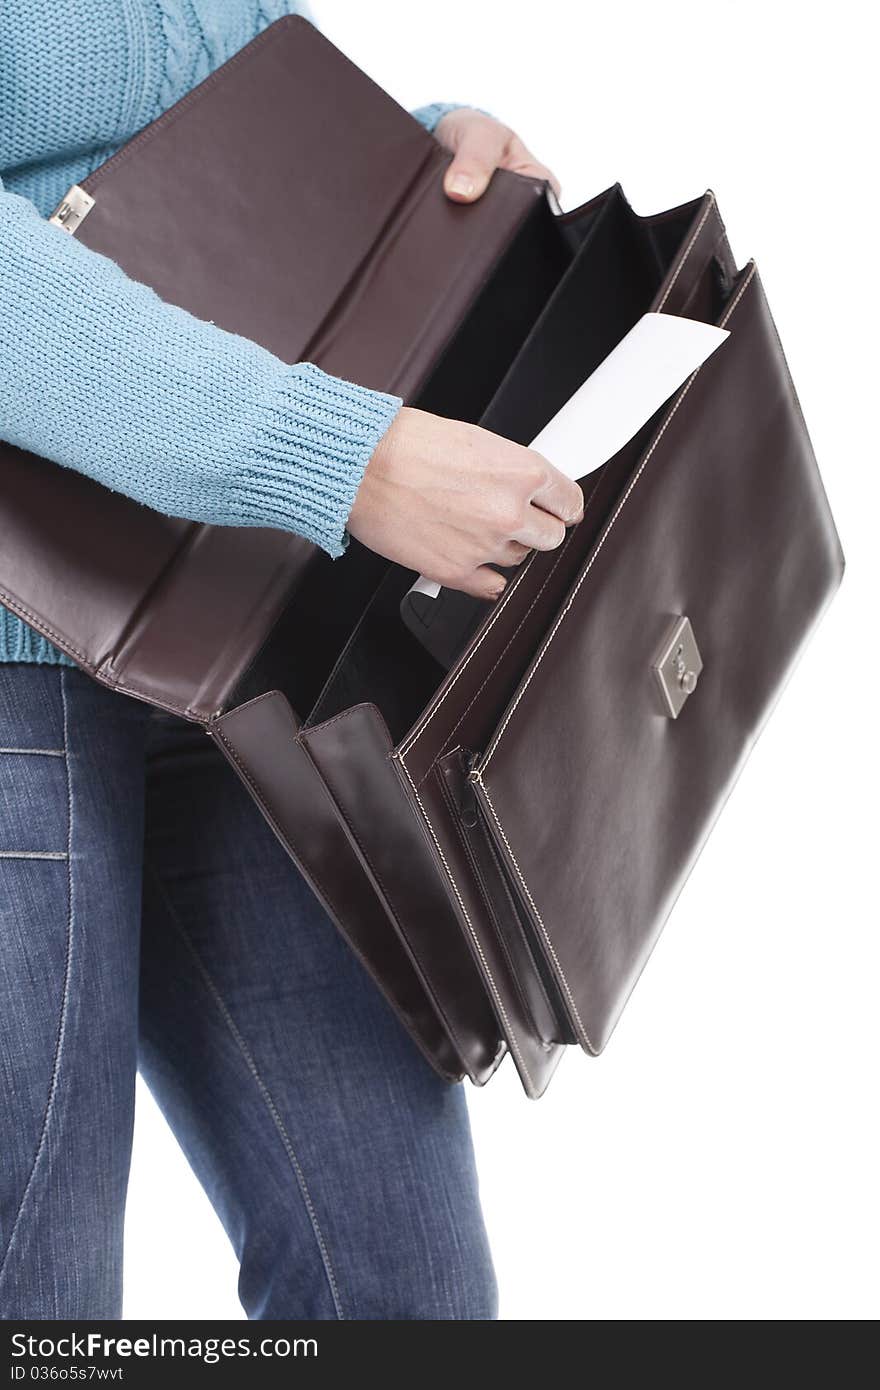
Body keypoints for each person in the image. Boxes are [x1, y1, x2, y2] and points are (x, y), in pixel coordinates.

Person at [0, 1, 582, 1321]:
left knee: (405, 1287)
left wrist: (417, 175)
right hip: (22, 654)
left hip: (239, 639)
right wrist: (340, 454)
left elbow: (206, 133)